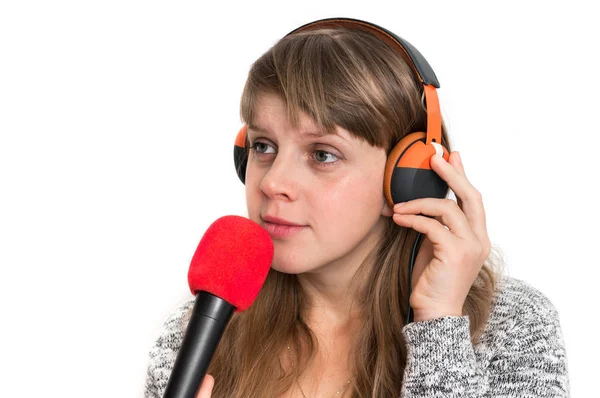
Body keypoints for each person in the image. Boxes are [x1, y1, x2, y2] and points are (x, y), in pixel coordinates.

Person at [144, 18, 570, 397]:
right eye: (263, 146)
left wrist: (439, 327)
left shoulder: (509, 326)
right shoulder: (197, 333)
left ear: (406, 177)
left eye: (322, 154)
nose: (273, 182)